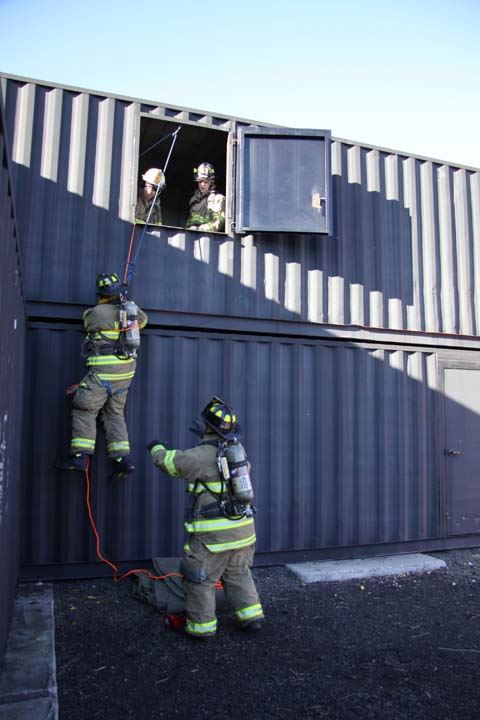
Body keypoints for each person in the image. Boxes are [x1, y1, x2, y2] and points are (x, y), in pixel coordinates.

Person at [147, 396, 264, 639]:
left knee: (199, 579)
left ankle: (201, 628)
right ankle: (252, 617)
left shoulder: (200, 456)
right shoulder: (238, 452)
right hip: (244, 530)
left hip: (213, 538)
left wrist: (156, 447)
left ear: (208, 427)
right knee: (239, 573)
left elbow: (169, 463)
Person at [56, 273, 148, 479]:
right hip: (125, 374)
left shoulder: (95, 313)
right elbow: (143, 320)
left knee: (84, 407)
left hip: (102, 373)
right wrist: (127, 303)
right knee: (115, 414)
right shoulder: (130, 312)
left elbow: (87, 323)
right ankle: (121, 460)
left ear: (101, 294)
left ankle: (80, 456)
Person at [186, 162, 225, 232]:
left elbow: (220, 222)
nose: (202, 184)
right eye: (200, 181)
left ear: (211, 182)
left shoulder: (218, 199)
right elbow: (189, 221)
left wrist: (203, 229)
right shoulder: (193, 199)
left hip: (209, 239)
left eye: (206, 181)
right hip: (192, 237)